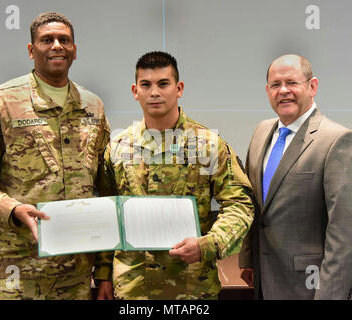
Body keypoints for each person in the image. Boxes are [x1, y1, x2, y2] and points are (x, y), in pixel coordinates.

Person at [98, 51, 254, 300]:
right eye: (146, 85)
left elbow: (240, 204)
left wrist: (209, 244)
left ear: (179, 88)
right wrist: (103, 273)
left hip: (192, 288)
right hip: (133, 288)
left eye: (163, 84)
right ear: (135, 91)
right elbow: (106, 211)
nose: (154, 92)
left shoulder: (207, 145)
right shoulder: (118, 147)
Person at [0, 12, 111, 299]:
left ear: (75, 50)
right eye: (46, 40)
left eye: (64, 40)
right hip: (11, 273)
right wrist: (11, 210)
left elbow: (106, 190)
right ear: (31, 50)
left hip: (72, 278)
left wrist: (103, 272)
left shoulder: (93, 107)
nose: (57, 46)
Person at [238, 54, 352, 300]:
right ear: (267, 90)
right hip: (263, 279)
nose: (283, 91)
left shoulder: (336, 141)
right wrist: (247, 258)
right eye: (276, 85)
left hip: (309, 287)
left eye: (292, 82)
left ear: (312, 87)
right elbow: (253, 204)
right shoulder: (261, 132)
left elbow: (344, 233)